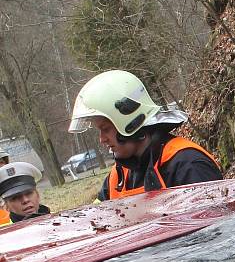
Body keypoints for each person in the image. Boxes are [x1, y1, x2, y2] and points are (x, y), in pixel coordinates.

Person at [68, 70, 222, 201]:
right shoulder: (118, 176)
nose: (102, 139)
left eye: (106, 129)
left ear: (131, 122)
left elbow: (215, 230)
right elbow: (96, 220)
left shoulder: (187, 164)